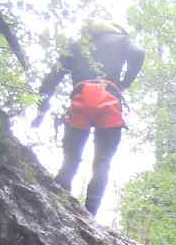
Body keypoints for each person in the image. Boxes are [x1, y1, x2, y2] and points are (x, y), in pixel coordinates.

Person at [32, 21, 145, 217]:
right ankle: (89, 214)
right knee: (102, 161)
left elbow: (53, 76)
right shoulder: (122, 40)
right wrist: (125, 82)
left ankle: (58, 203)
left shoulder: (78, 46)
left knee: (71, 158)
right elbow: (139, 53)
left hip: (81, 98)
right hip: (109, 98)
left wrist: (41, 110)